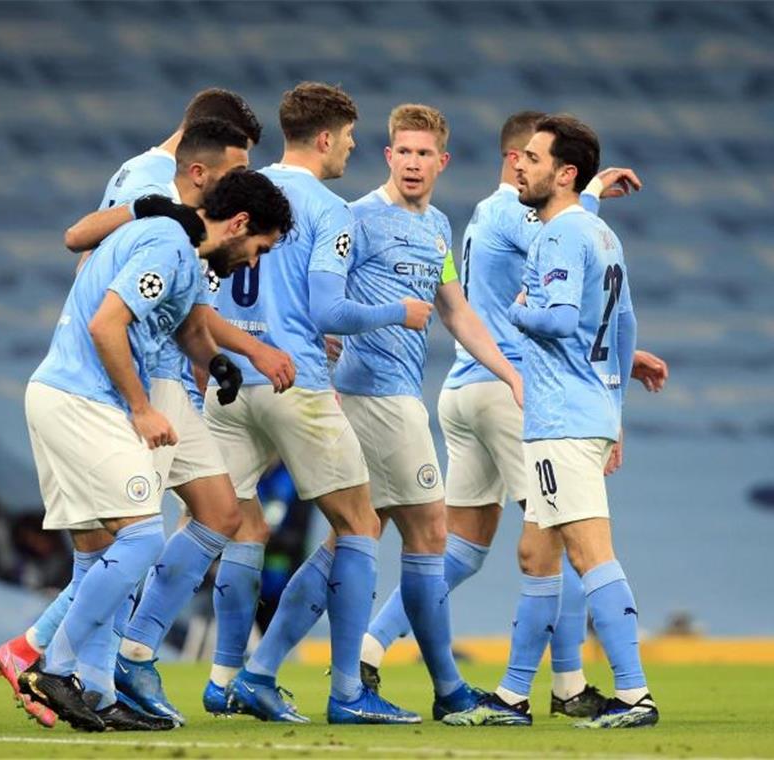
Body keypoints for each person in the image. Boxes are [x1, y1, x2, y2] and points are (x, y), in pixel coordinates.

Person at [0, 92, 291, 728]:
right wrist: (140, 407)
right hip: (91, 396)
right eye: (259, 248)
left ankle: (93, 687)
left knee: (108, 543)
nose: (255, 262)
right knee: (139, 537)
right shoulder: (166, 232)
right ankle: (52, 662)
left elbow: (176, 319)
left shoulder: (177, 239)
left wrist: (219, 360)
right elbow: (108, 323)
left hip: (89, 393)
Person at [359, 111, 669, 722]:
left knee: (470, 550)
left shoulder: (478, 217)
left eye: (535, 157)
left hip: (465, 388)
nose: (525, 164)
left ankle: (376, 648)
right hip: (519, 390)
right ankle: (572, 683)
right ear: (516, 158)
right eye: (524, 155)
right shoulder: (534, 220)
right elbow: (572, 273)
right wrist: (593, 198)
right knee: (563, 546)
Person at [211, 82, 431, 725]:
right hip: (296, 382)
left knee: (229, 526)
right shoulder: (329, 208)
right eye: (352, 136)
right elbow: (326, 310)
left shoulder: (242, 193)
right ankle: (346, 693)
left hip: (232, 375)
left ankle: (220, 675)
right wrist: (402, 311)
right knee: (359, 527)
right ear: (328, 137)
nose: (355, 148)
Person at [443, 115, 658, 728]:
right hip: (578, 412)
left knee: (592, 556)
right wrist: (614, 415)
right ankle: (512, 698)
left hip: (560, 417)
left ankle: (635, 694)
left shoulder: (559, 237)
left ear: (564, 173)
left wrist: (519, 311)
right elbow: (625, 327)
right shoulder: (600, 234)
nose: (521, 166)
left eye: (534, 159)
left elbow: (560, 319)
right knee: (537, 554)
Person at [326, 103, 514, 719]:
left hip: (398, 397)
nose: (411, 162)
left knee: (349, 541)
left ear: (442, 161)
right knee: (431, 533)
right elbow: (321, 297)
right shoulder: (356, 219)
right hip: (375, 396)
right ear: (388, 157)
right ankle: (450, 691)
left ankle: (265, 669)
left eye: (422, 153)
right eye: (401, 152)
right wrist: (318, 349)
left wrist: (507, 370)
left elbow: (456, 312)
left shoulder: (437, 228)